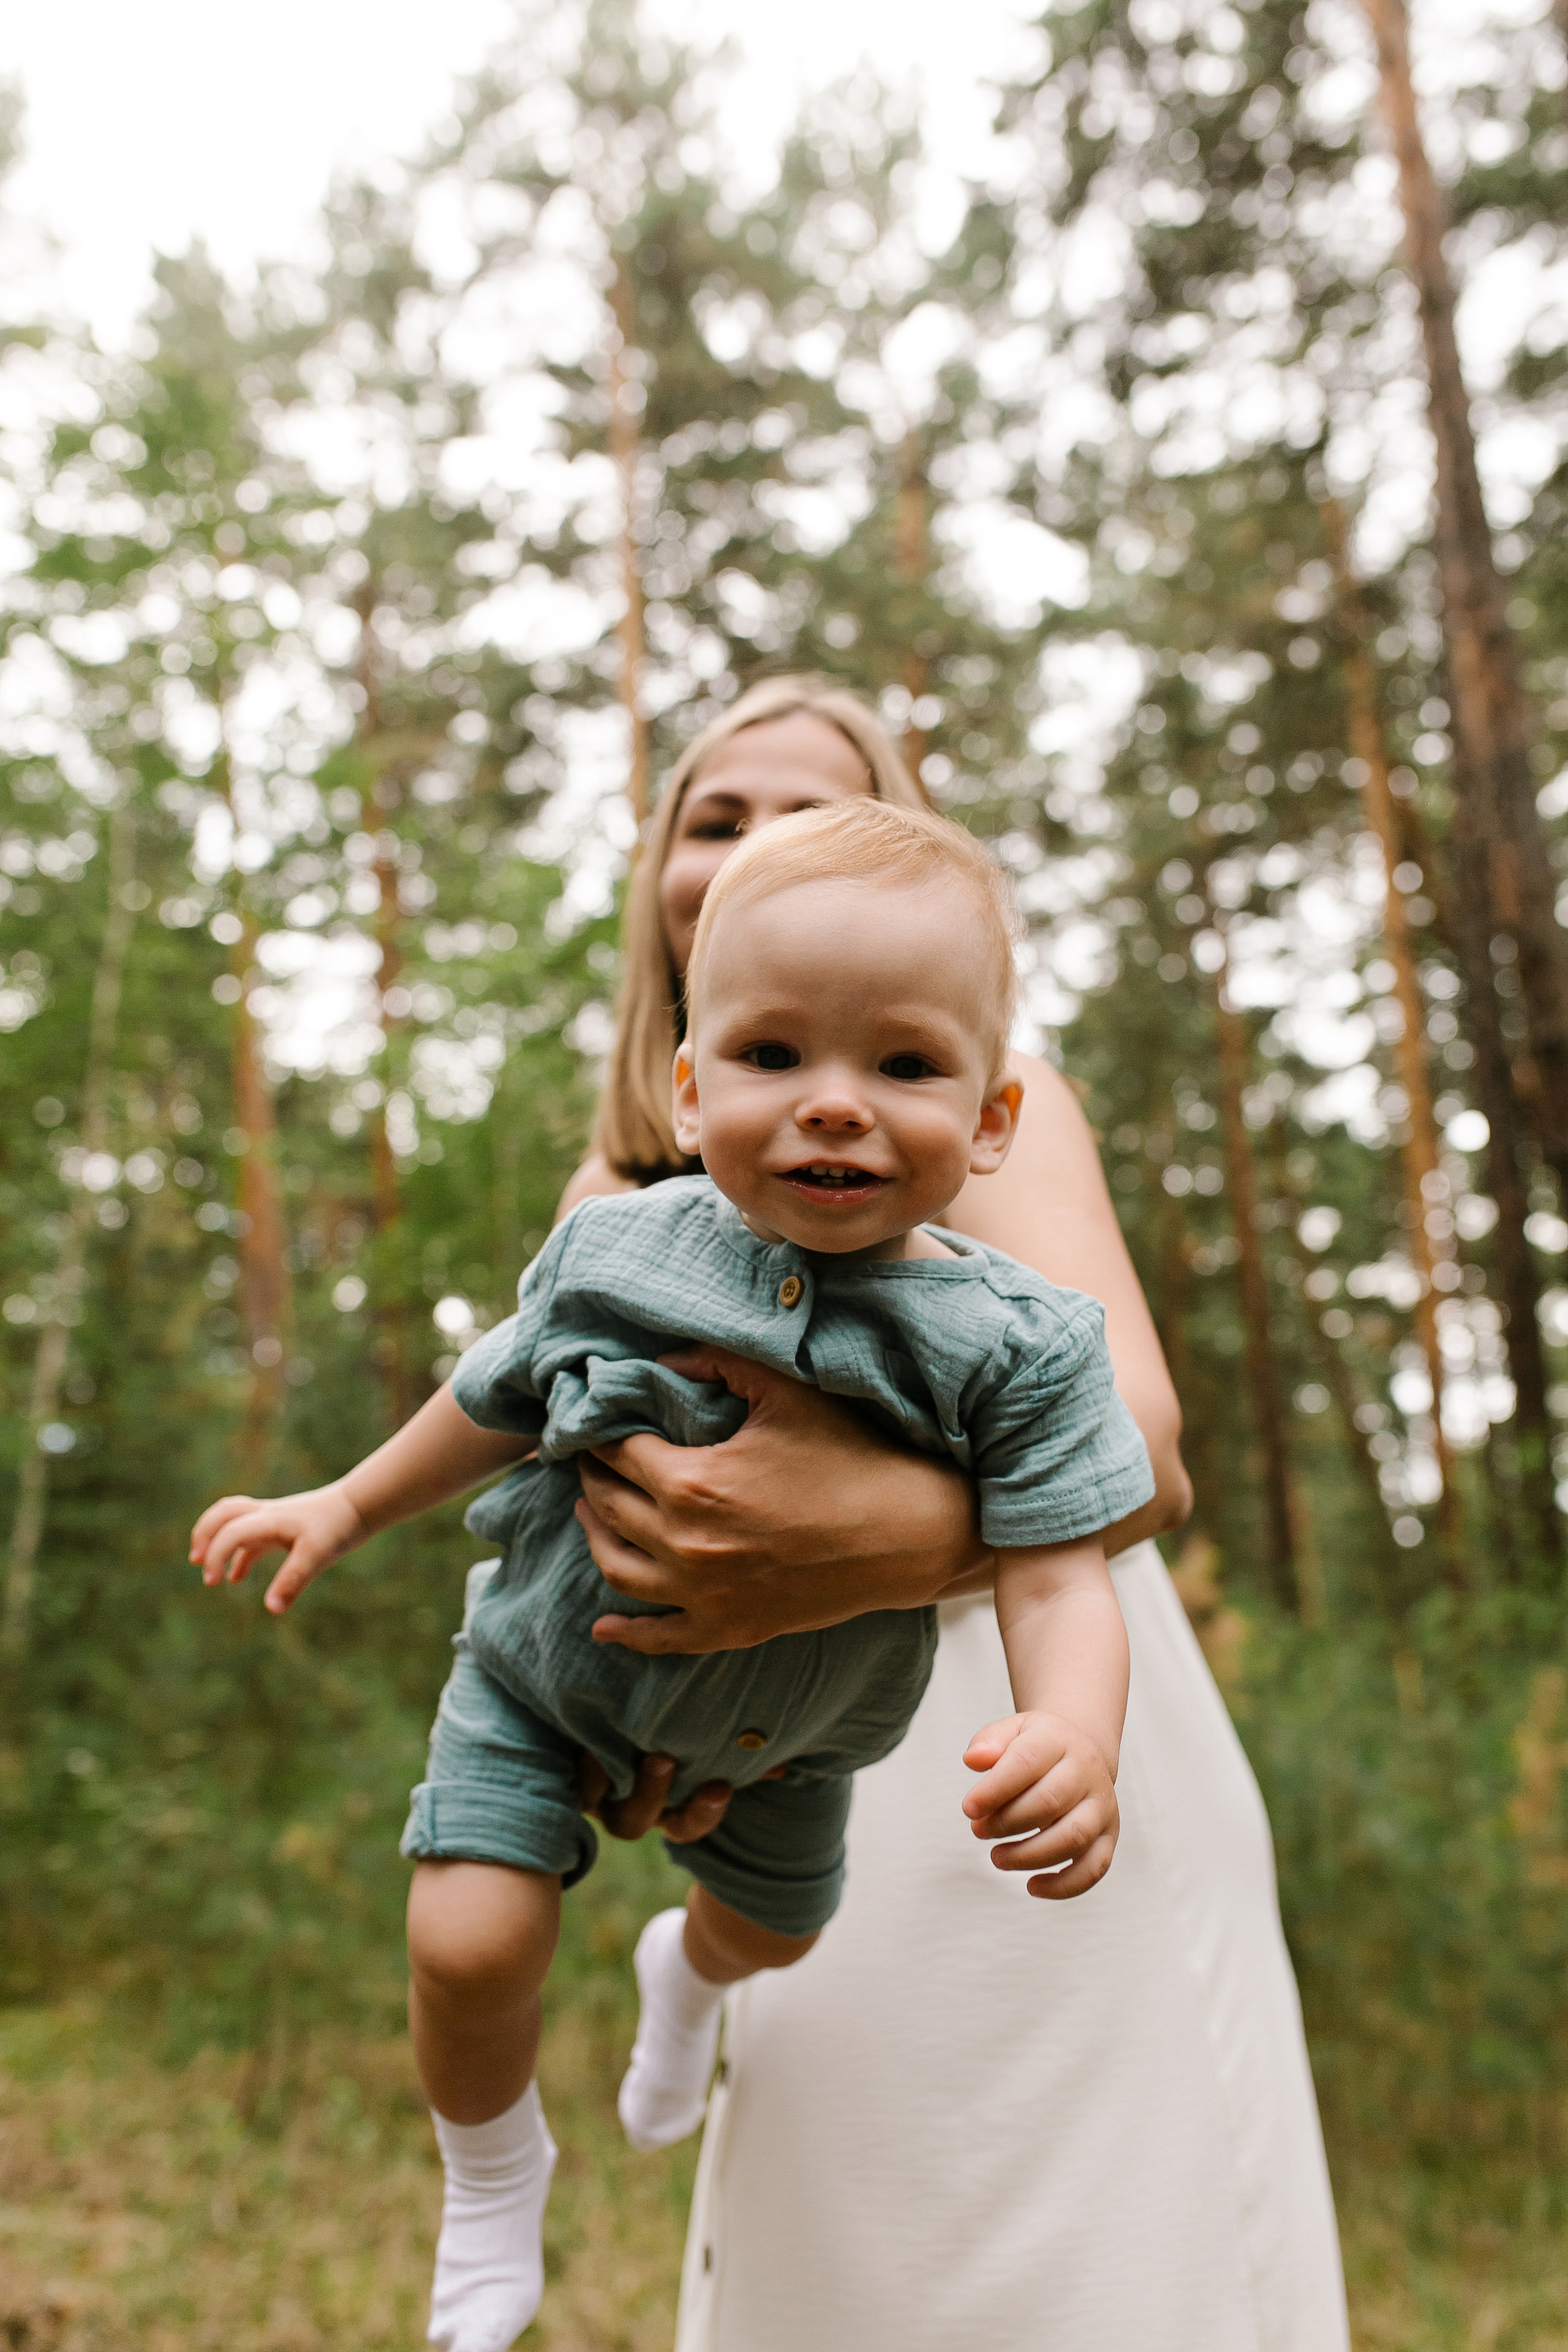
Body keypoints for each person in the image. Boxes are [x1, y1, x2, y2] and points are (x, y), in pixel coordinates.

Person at [190, 796, 1155, 2352]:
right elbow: (489, 1401)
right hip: (541, 1680)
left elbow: (1056, 1574)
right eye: (774, 1058)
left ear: (988, 1121)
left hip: (795, 1734)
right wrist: (342, 1506)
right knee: (466, 1937)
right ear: (692, 1087)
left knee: (774, 1933)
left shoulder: (1022, 1348)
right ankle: (494, 2171)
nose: (834, 1106)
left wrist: (1079, 1732)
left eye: (902, 1065)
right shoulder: (617, 1253)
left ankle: (684, 1971)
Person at [562, 677, 1351, 2351]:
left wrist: (871, 1544)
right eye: (720, 817)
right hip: (793, 1766)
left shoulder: (957, 1101)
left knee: (1107, 2256)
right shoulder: (615, 1196)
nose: (763, 843)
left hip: (1043, 1714)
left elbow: (1145, 1437)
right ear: (662, 881)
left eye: (813, 809)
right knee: (845, 2248)